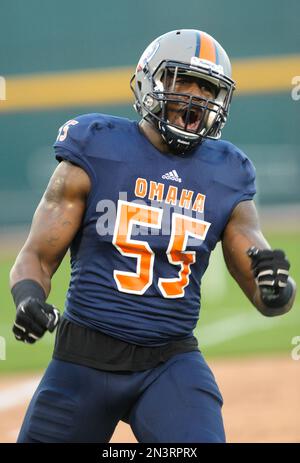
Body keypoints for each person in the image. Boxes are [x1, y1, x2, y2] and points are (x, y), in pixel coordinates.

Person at [10, 29, 296, 443]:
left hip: (169, 362)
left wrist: (277, 290)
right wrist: (29, 298)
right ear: (151, 81)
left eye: (208, 88)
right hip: (83, 357)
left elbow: (266, 284)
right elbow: (35, 255)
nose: (196, 97)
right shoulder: (96, 146)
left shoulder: (227, 171)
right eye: (184, 81)